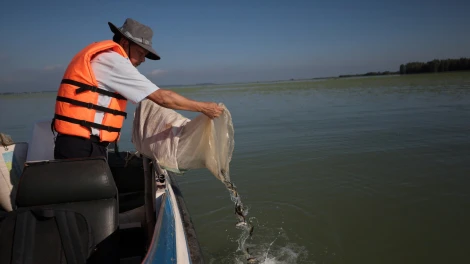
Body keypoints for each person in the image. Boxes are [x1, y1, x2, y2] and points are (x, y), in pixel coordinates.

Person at [52, 18, 224, 160]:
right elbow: (163, 97)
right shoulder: (113, 62)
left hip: (80, 145)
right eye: (141, 53)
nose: (143, 60)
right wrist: (203, 108)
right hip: (81, 148)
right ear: (124, 42)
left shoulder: (106, 59)